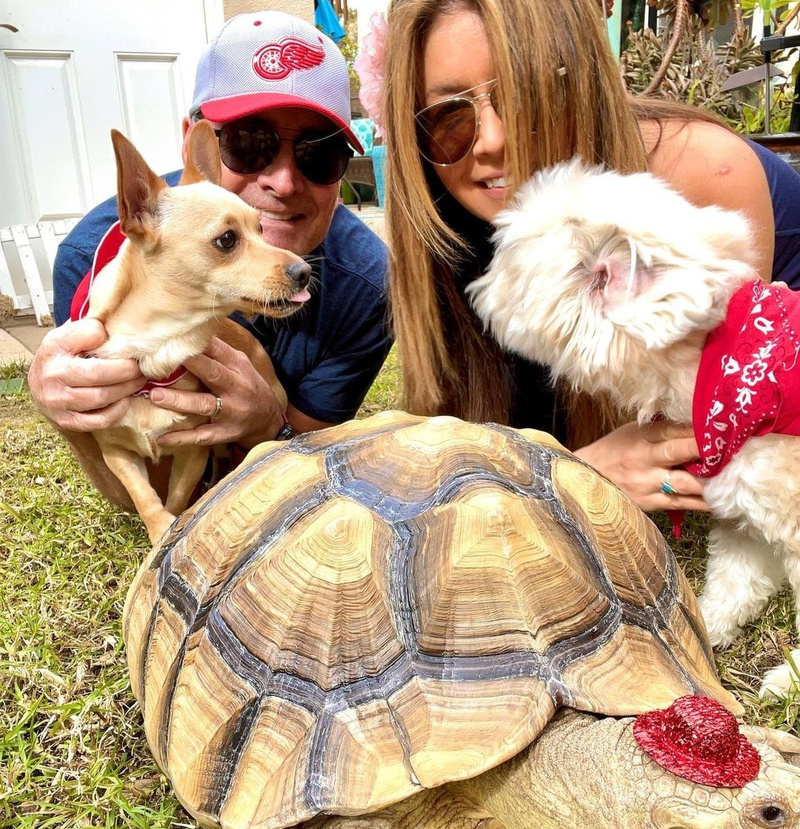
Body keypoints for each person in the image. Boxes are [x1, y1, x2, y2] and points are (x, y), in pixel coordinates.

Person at [381, 0, 800, 513]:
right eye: (448, 117)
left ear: (579, 86)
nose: (492, 140)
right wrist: (576, 471)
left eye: (523, 98)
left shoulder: (697, 178)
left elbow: (716, 434)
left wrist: (574, 480)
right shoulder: (448, 221)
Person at [29, 10, 391, 511]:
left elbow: (300, 486)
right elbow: (150, 498)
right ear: (197, 144)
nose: (283, 182)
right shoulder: (91, 258)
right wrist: (57, 402)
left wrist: (270, 424)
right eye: (249, 143)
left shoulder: (365, 284)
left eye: (320, 153)